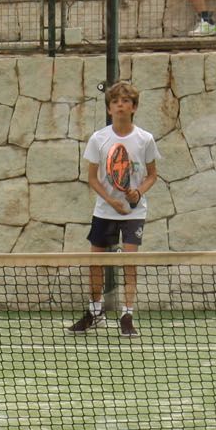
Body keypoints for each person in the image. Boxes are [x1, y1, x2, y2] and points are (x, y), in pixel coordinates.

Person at [68, 80, 161, 340]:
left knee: (129, 263)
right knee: (95, 263)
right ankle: (95, 311)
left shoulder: (145, 139)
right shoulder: (99, 138)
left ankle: (127, 315)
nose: (120, 105)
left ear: (134, 107)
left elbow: (153, 175)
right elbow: (93, 178)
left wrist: (138, 192)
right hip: (105, 212)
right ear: (109, 109)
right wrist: (112, 202)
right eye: (115, 102)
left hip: (134, 213)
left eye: (126, 101)